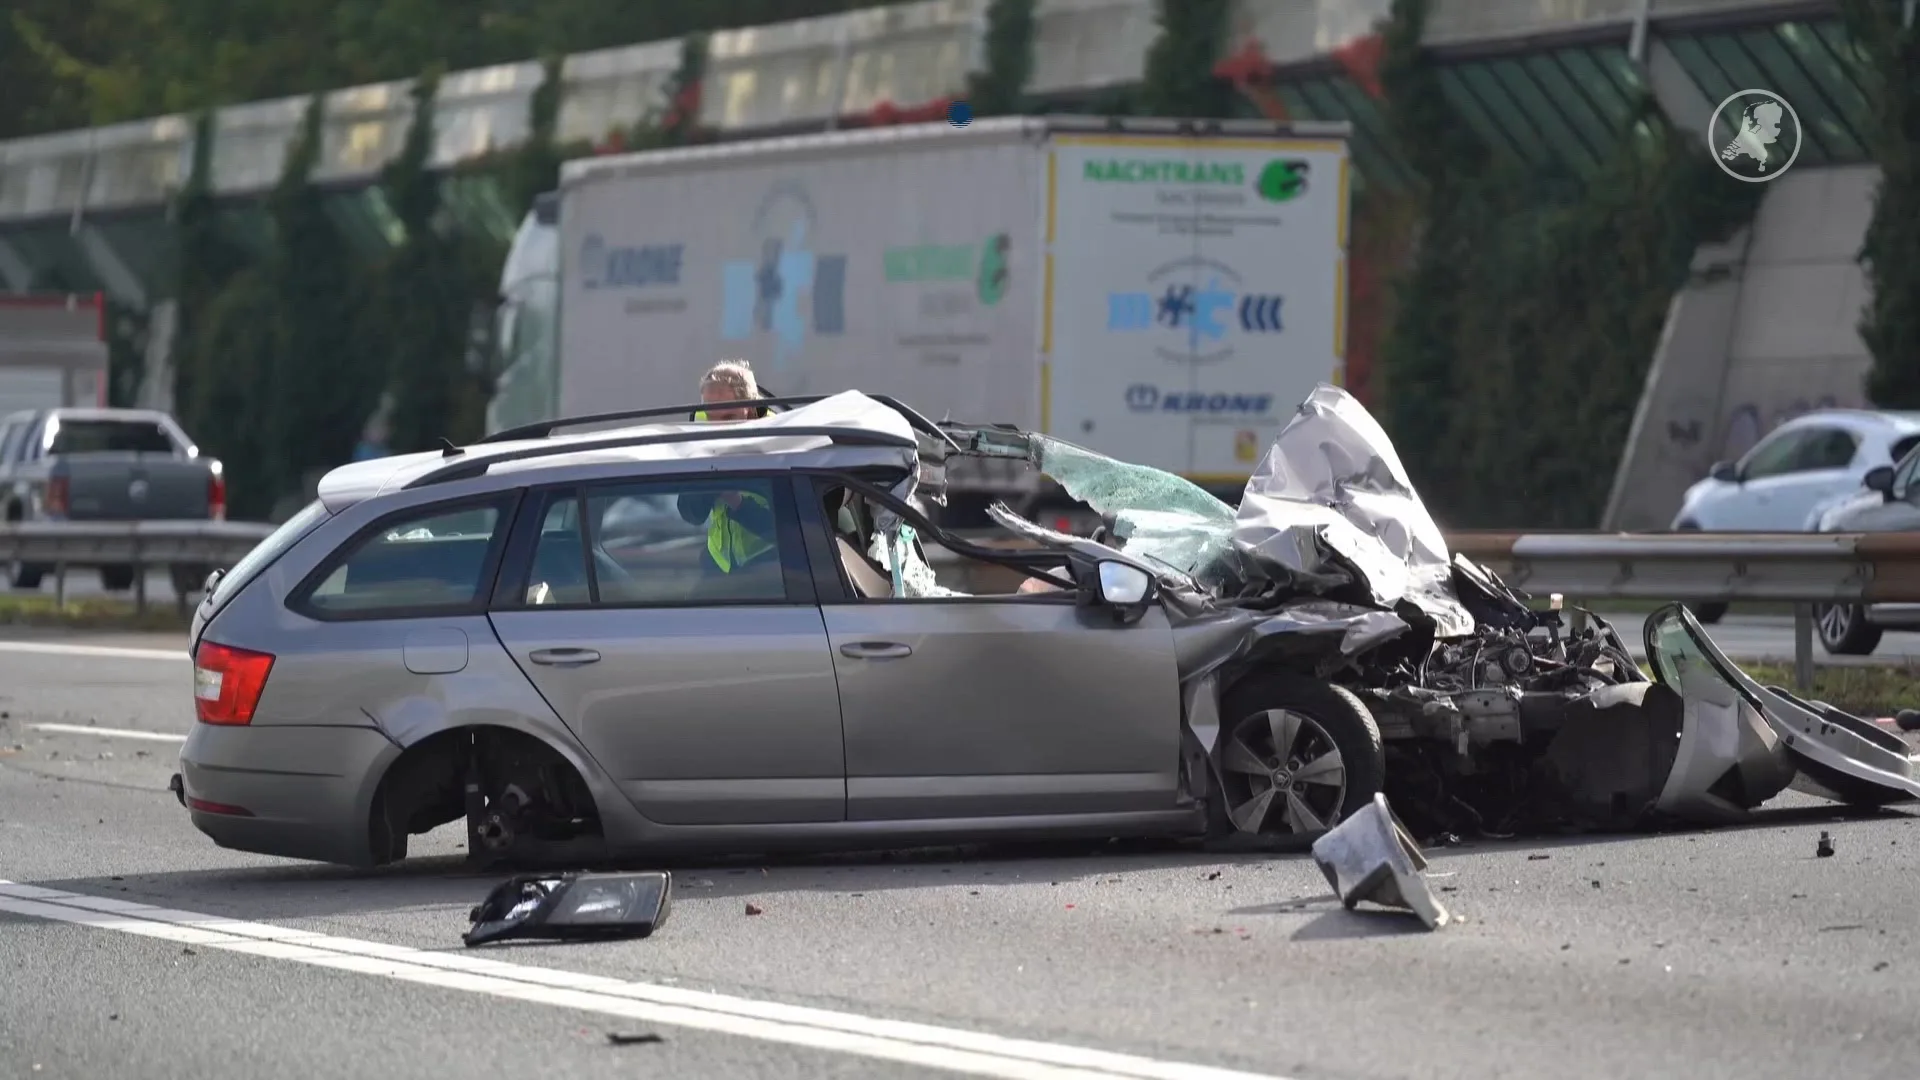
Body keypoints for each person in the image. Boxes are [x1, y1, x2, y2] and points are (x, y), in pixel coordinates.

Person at [680, 360, 779, 576]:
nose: (718, 428)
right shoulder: (701, 432)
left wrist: (738, 503)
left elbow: (792, 529)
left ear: (750, 409)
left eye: (728, 417)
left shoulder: (779, 442)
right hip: (718, 562)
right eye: (711, 416)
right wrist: (708, 480)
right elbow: (691, 514)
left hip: (771, 565)